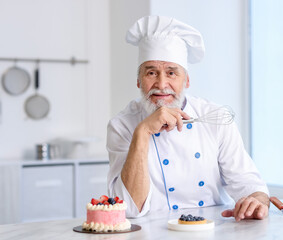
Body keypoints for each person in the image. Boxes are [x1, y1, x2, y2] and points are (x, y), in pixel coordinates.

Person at [107, 15, 269, 221]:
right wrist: (143, 132)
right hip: (154, 232)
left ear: (187, 80)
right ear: (138, 81)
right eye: (151, 73)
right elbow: (129, 209)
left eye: (172, 73)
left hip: (213, 229)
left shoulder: (214, 117)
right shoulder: (121, 126)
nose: (161, 83)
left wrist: (257, 199)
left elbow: (247, 181)